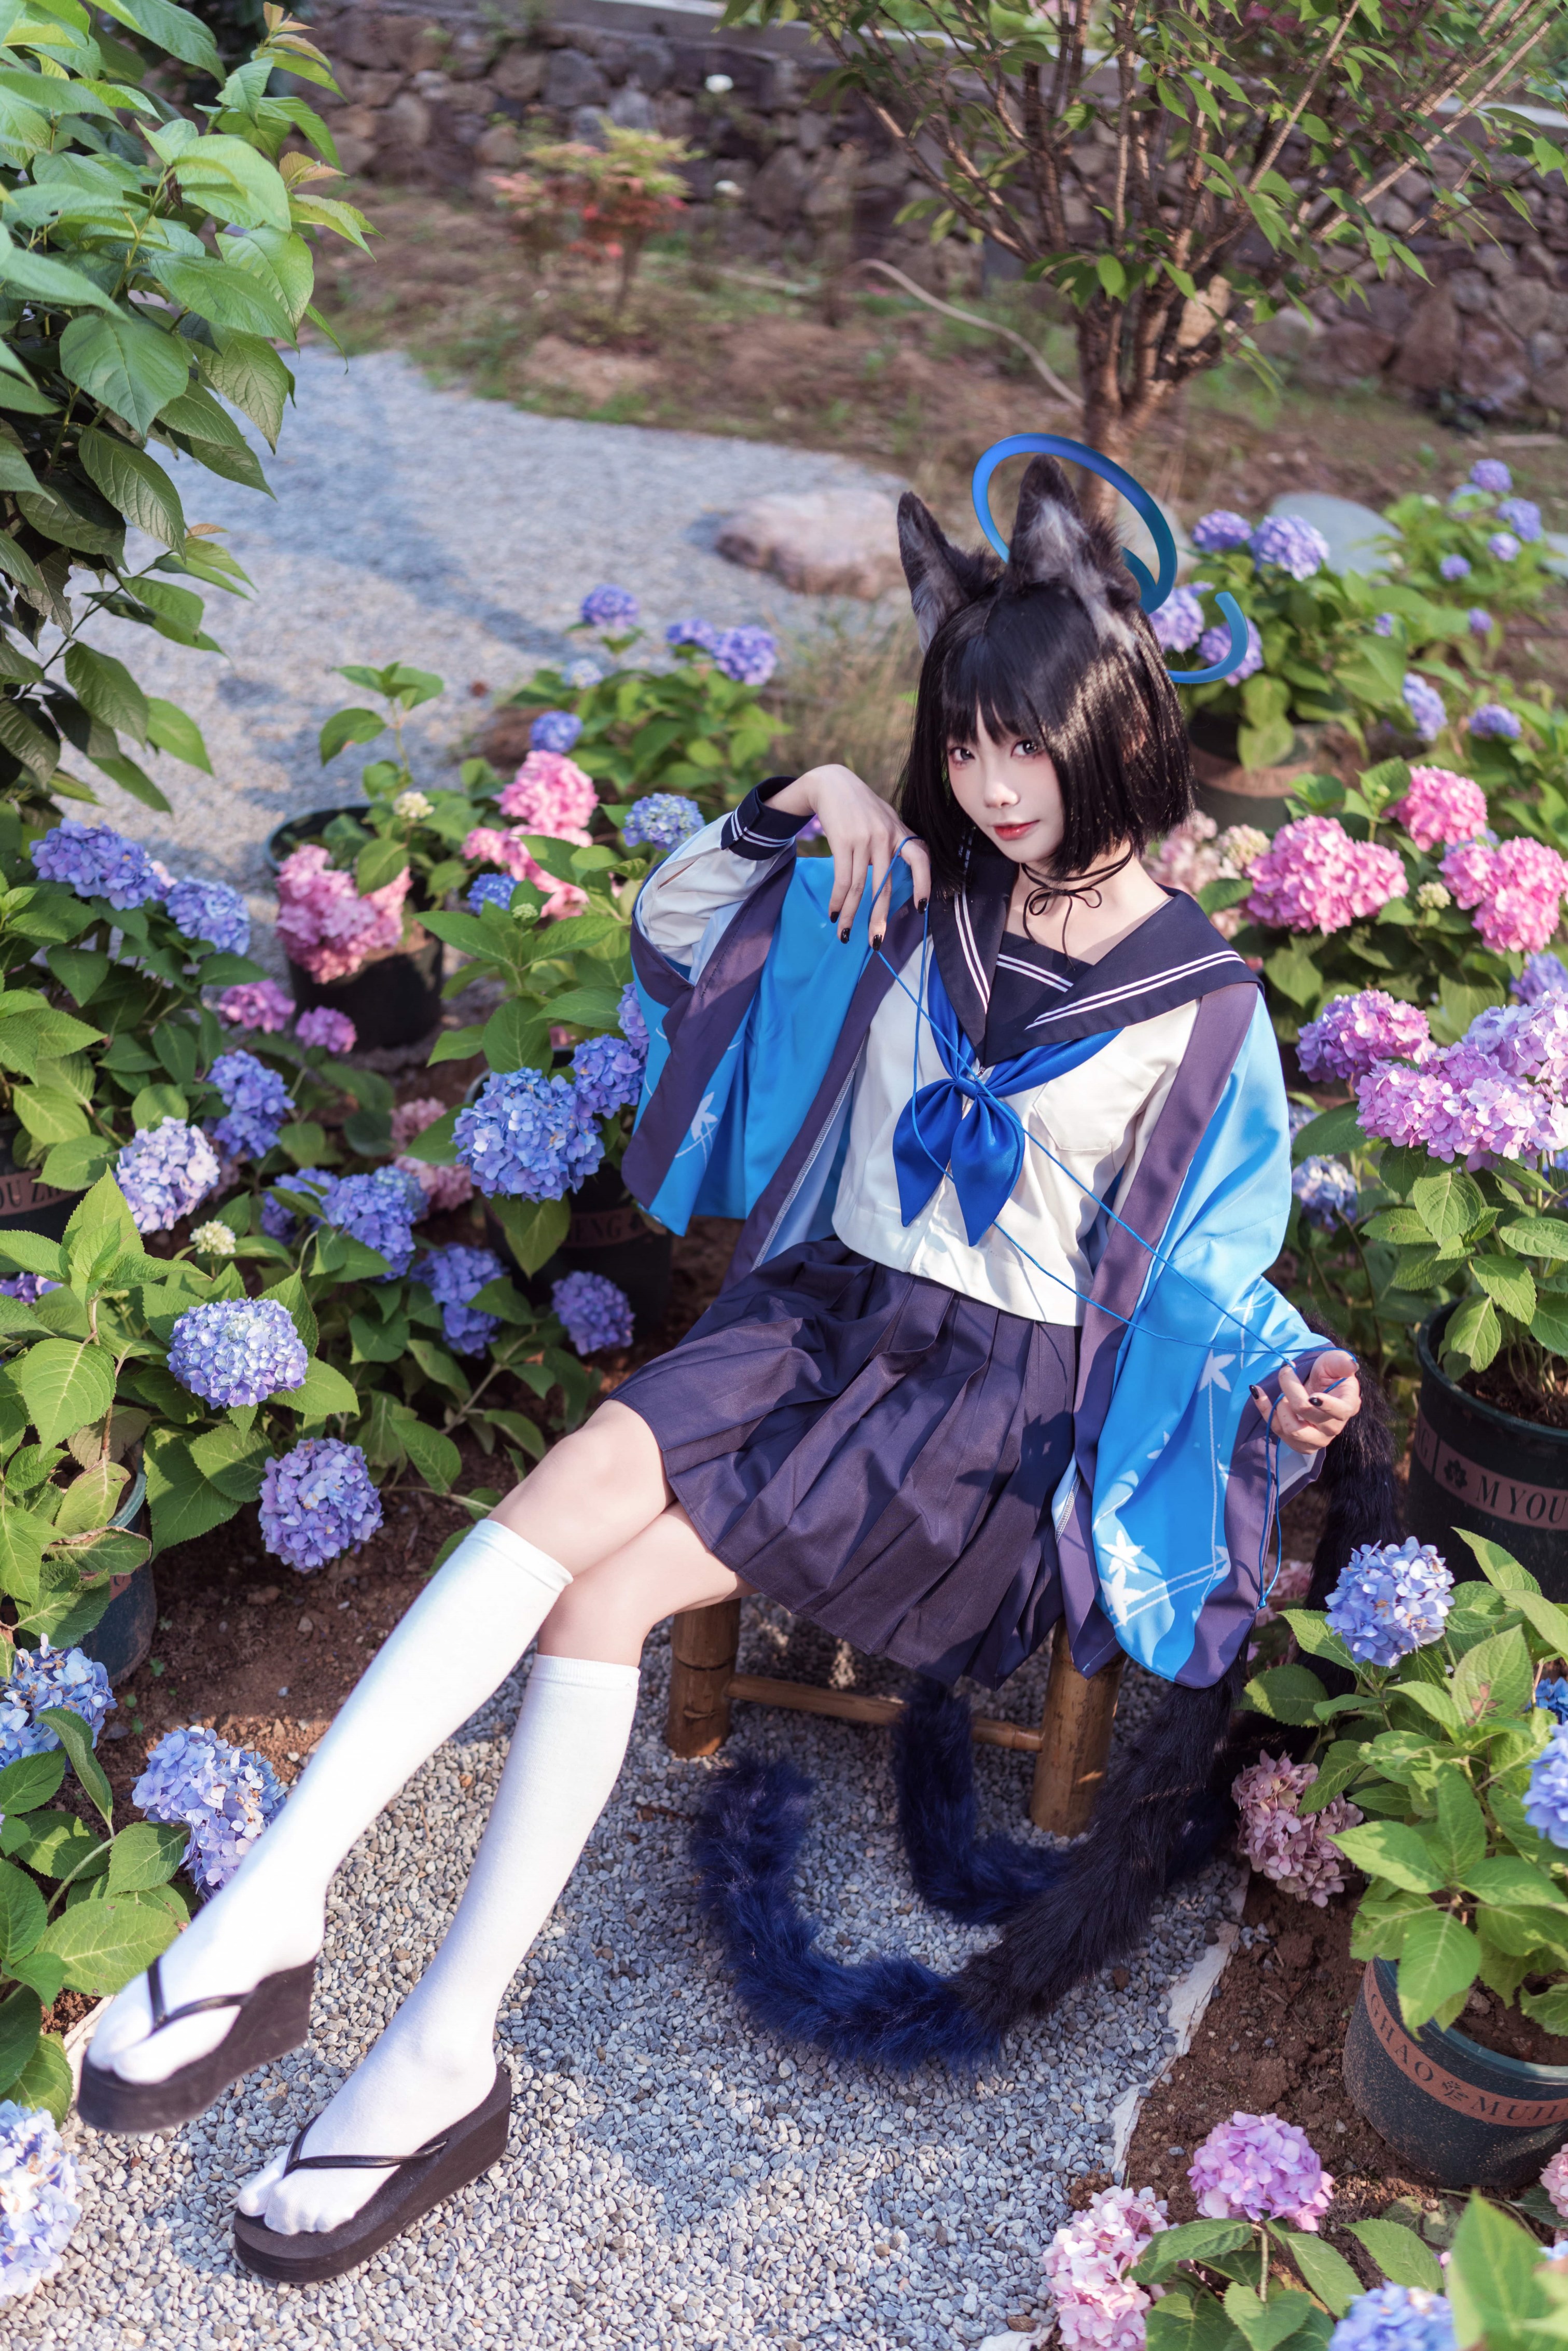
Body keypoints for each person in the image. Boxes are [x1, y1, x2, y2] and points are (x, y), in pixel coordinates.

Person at [80, 453, 1361, 2282]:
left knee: (599, 1586)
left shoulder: (1206, 1006)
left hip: (974, 1420)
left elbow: (1211, 1266)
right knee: (571, 1507)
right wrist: (799, 799)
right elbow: (683, 946)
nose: (991, 785)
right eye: (963, 743)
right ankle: (307, 1928)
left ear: (1116, 733)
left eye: (1025, 745)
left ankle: (406, 2026)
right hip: (822, 1316)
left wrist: (1291, 1376)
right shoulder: (921, 888)